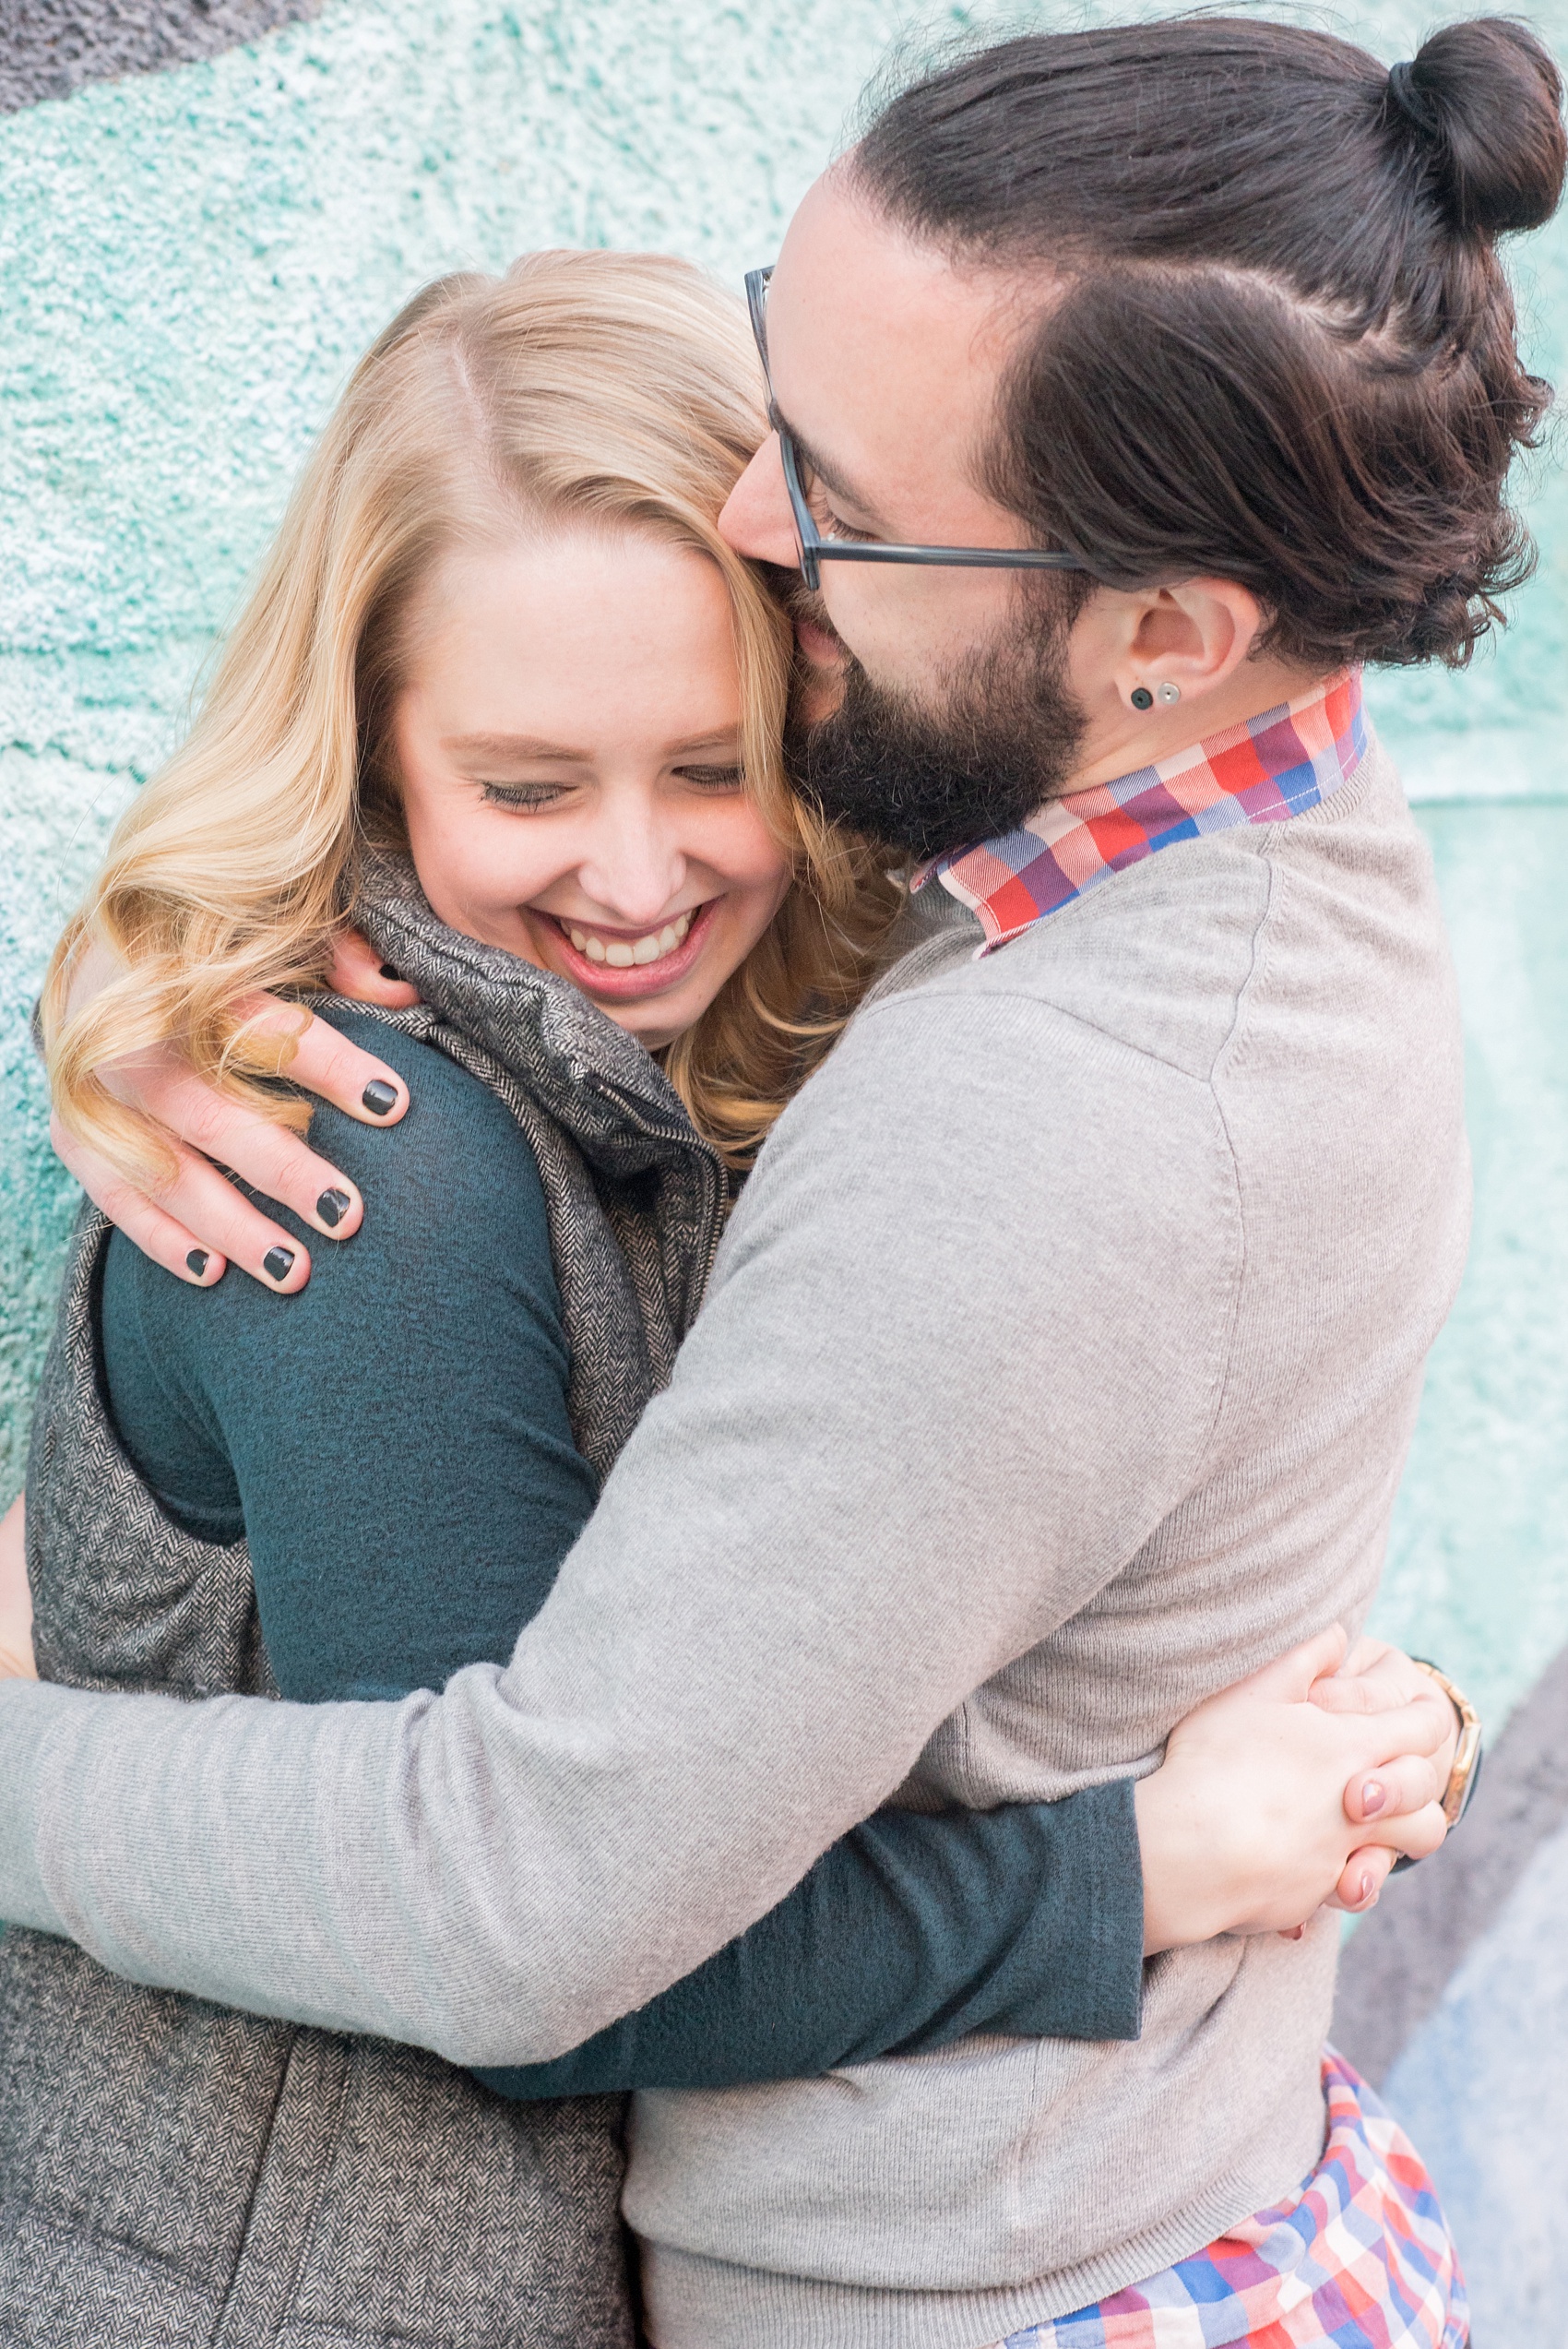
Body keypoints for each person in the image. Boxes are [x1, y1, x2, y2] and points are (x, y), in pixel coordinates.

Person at [5, 12, 1546, 2344]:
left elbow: (538, 1898)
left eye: (831, 502)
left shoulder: (999, 1089)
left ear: (1155, 637)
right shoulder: (1276, 855)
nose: (757, 518)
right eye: (768, 382)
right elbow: (541, 1895)